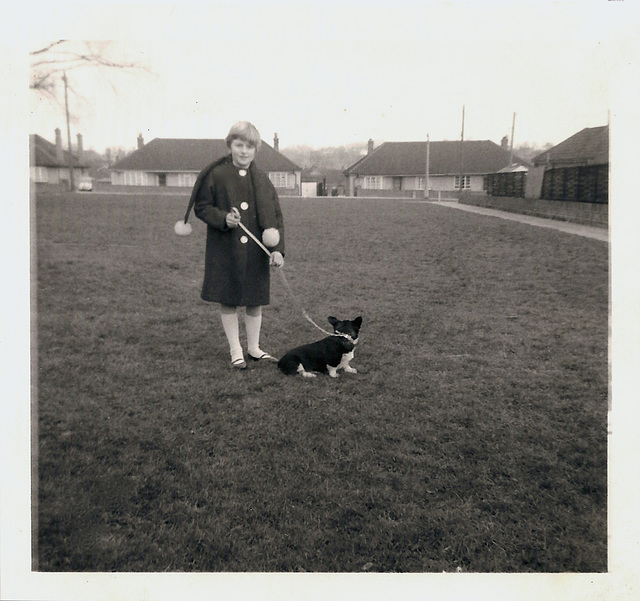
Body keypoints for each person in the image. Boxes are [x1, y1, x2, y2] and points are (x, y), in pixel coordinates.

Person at [191, 121, 285, 369]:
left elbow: (276, 217)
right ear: (230, 145)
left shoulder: (263, 179)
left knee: (254, 300)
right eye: (239, 145)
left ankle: (253, 348)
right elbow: (201, 207)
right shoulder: (217, 174)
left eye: (249, 147)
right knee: (229, 299)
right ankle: (236, 350)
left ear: (256, 150)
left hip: (255, 251)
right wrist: (223, 218)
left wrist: (277, 250)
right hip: (226, 248)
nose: (244, 151)